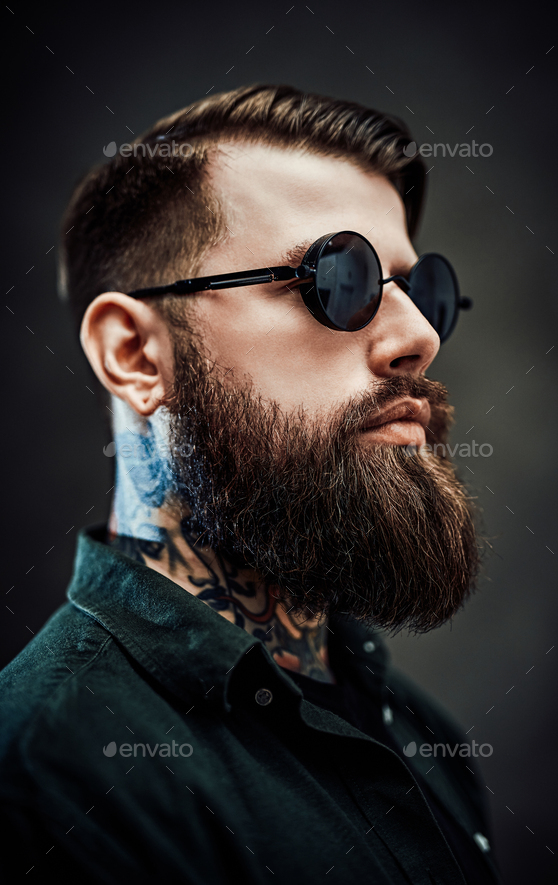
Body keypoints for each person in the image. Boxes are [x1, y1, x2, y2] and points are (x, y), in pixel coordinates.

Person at [0, 84, 500, 884]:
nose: (418, 335)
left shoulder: (415, 730)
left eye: (422, 289)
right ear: (134, 355)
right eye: (338, 279)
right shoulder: (49, 776)